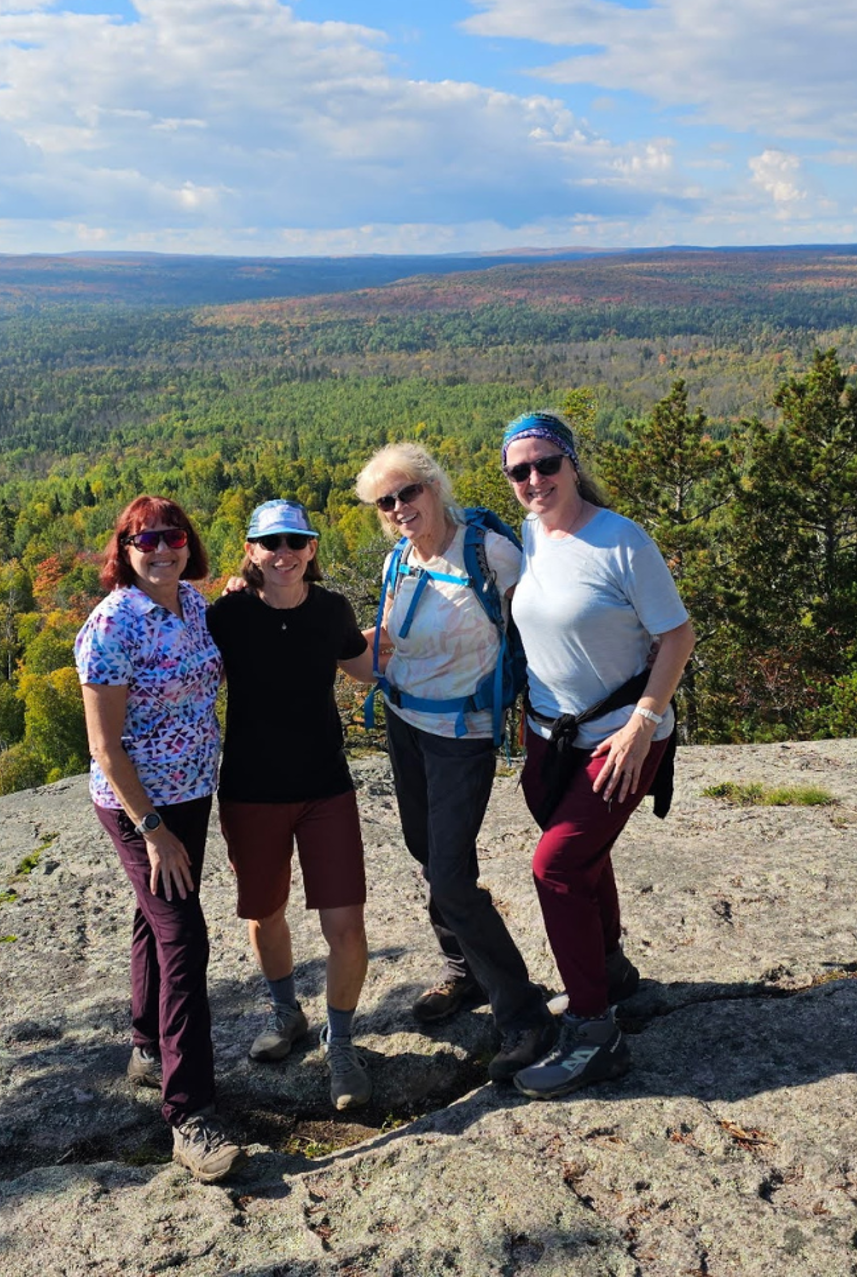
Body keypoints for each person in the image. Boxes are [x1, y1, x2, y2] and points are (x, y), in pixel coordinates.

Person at [499, 411, 696, 1100]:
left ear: (573, 463)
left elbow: (677, 635)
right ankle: (609, 974)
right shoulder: (525, 535)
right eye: (518, 470)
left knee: (555, 865)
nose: (533, 479)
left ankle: (593, 1032)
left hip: (621, 736)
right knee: (582, 858)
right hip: (553, 737)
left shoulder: (620, 540)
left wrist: (645, 722)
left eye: (545, 464)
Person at [354, 443, 557, 1082]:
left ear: (434, 486)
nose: (398, 508)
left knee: (448, 875)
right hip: (405, 722)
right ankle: (463, 971)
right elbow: (386, 641)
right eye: (386, 502)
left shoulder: (489, 555)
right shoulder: (399, 561)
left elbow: (544, 627)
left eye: (407, 493)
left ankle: (523, 1013)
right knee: (428, 851)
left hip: (462, 732)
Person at [75, 495, 243, 1183]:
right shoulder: (112, 624)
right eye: (145, 539)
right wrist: (151, 831)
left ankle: (147, 1046)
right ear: (125, 548)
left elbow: (216, 664)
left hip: (192, 789)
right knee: (182, 934)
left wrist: (244, 588)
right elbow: (104, 746)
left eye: (172, 536)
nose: (161, 548)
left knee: (157, 916)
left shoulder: (194, 604)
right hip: (138, 803)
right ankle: (190, 1114)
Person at [207, 499, 377, 1113]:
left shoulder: (331, 609)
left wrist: (434, 622)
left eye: (296, 541)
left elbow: (363, 667)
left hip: (326, 788)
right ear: (250, 550)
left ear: (311, 549)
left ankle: (343, 1043)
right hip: (252, 791)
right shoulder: (226, 615)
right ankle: (287, 1014)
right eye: (270, 542)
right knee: (264, 913)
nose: (285, 553)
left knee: (346, 927)